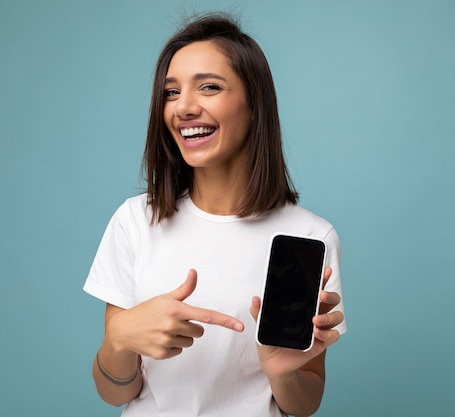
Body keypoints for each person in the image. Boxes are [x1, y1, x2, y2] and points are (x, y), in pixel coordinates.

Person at [83, 13, 346, 417]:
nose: (184, 107)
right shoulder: (135, 221)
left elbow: (305, 402)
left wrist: (281, 374)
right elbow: (115, 393)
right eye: (171, 92)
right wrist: (118, 340)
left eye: (208, 87)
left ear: (254, 104)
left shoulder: (309, 236)